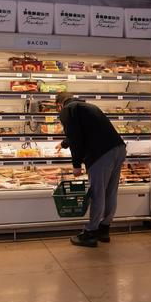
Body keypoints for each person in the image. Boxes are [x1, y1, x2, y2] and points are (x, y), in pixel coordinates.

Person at [56, 91, 126, 247]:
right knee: (110, 192)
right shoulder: (88, 106)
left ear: (59, 105)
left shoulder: (67, 110)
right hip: (118, 148)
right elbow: (83, 131)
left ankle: (90, 233)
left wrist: (76, 165)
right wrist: (63, 143)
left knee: (97, 193)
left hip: (101, 154)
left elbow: (75, 137)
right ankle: (104, 228)